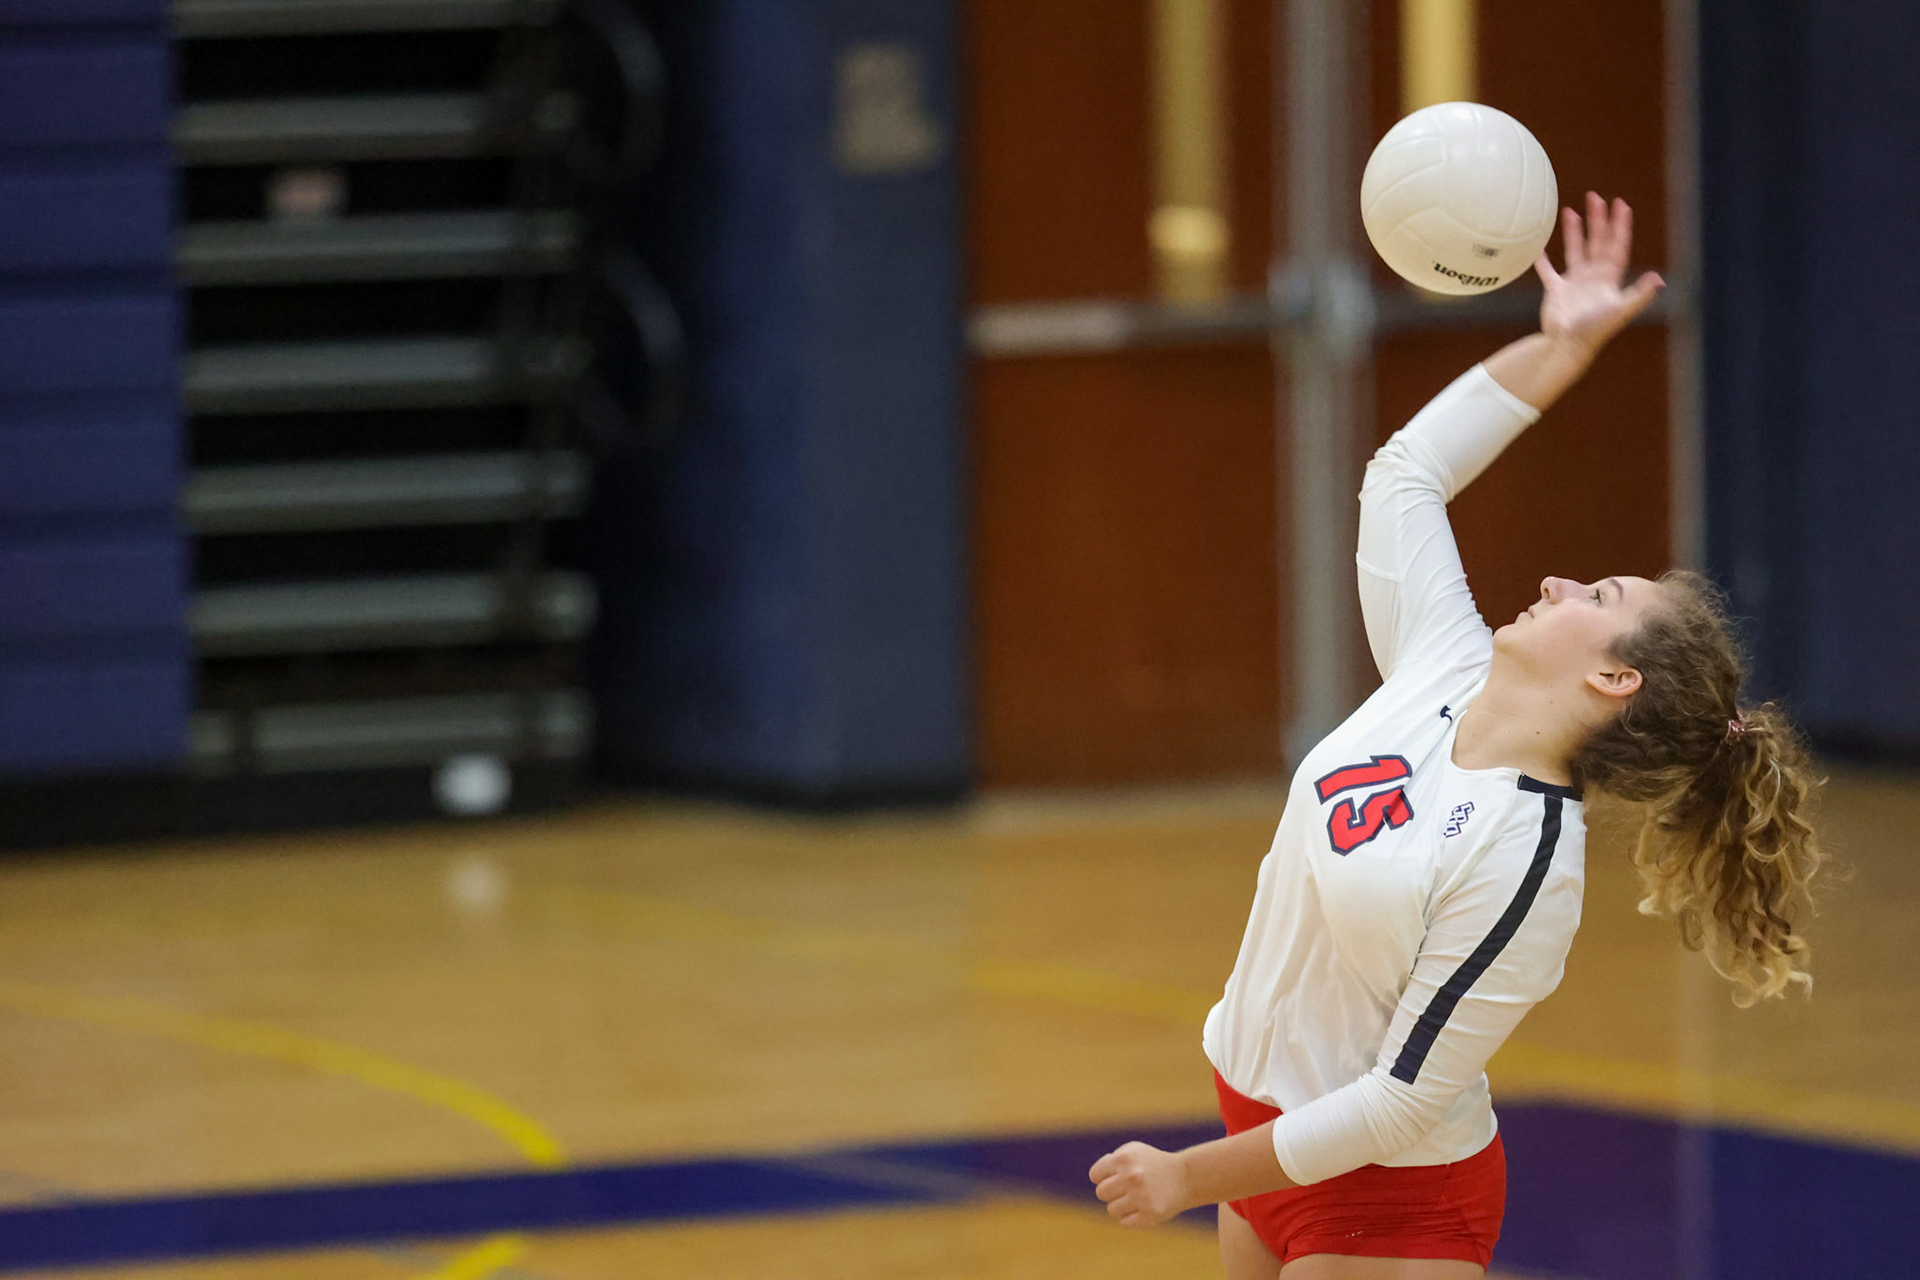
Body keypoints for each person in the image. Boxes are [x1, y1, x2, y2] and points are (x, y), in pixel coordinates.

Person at [1087, 193, 1826, 1279]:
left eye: (1597, 594)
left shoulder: (1527, 860)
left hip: (1387, 1196)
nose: (1558, 580)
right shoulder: (1444, 660)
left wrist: (1190, 1176)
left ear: (1613, 677)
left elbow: (1399, 1099)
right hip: (1260, 1120)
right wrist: (1560, 349)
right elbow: (1405, 472)